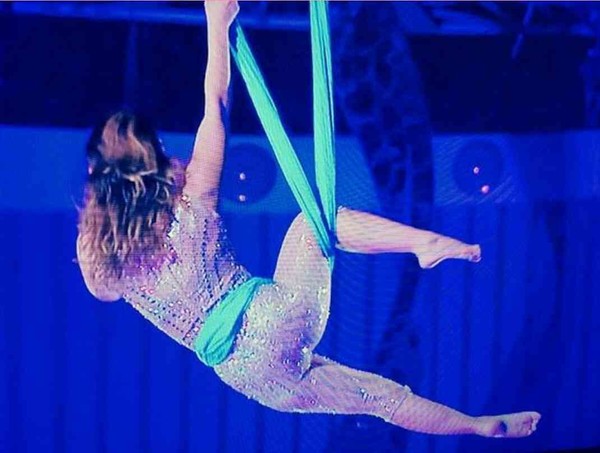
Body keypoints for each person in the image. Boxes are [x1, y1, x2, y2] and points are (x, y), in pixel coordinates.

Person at [76, 0, 540, 438]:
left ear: (98, 182)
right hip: (275, 318)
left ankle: (479, 426)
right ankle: (423, 244)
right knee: (316, 222)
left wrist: (97, 218)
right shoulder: (193, 197)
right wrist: (216, 22)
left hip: (251, 377)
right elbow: (215, 102)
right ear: (154, 160)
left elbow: (100, 289)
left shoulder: (112, 268)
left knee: (378, 399)